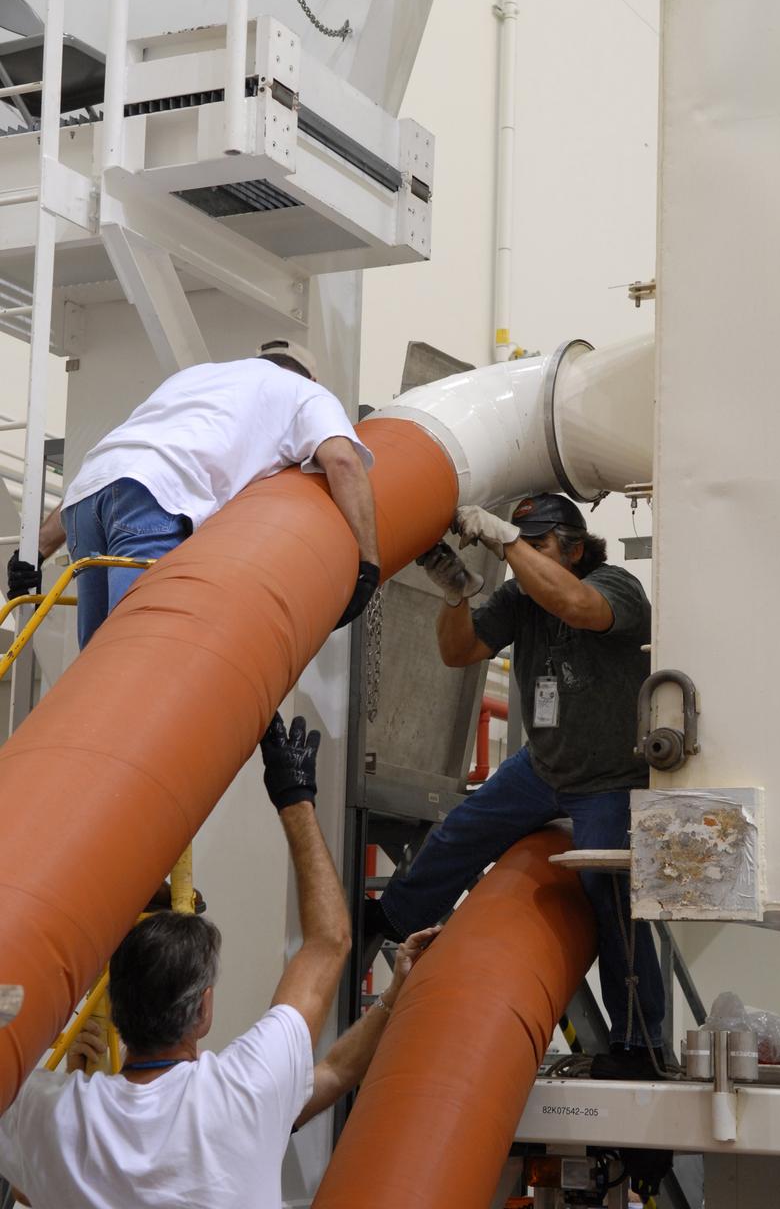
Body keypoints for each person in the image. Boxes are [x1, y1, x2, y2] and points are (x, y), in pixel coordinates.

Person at [0, 713, 438, 1209]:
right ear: (204, 1010)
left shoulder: (50, 1116)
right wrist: (294, 795)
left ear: (117, 1008)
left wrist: (73, 1071)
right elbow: (329, 946)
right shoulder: (245, 1092)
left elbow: (26, 1188)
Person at [366, 492, 666, 1080]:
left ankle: (640, 1041)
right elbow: (458, 651)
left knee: (612, 896)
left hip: (609, 779)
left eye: (538, 545)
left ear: (575, 549)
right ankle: (394, 918)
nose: (524, 556)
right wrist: (454, 594)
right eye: (521, 545)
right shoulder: (521, 597)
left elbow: (576, 605)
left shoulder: (615, 587)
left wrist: (505, 542)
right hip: (544, 768)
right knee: (461, 832)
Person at [5, 339, 379, 647]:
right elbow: (343, 462)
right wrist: (368, 566)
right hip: (153, 500)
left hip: (85, 500)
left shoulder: (195, 378)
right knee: (135, 649)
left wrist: (35, 552)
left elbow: (117, 465)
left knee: (99, 658)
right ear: (311, 377)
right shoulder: (306, 393)